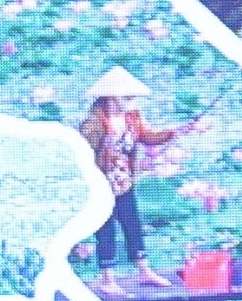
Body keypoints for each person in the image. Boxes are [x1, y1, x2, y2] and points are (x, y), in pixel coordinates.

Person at [77, 68, 185, 287]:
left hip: (124, 181)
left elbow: (147, 136)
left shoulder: (132, 118)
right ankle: (108, 278)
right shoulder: (94, 122)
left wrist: (173, 132)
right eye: (126, 96)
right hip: (100, 184)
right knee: (105, 229)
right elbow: (83, 152)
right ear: (111, 96)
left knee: (132, 224)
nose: (131, 100)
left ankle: (144, 271)